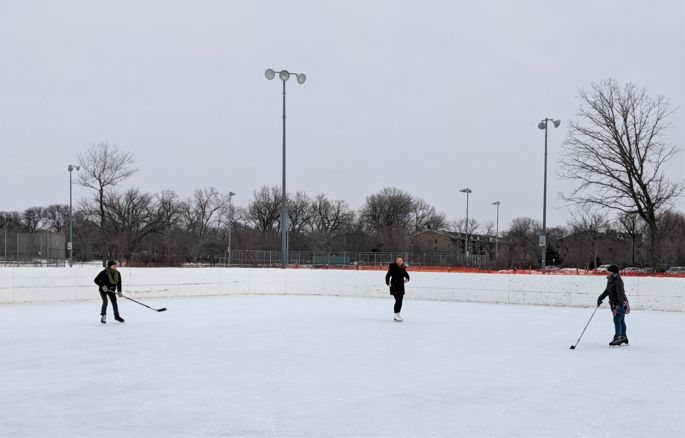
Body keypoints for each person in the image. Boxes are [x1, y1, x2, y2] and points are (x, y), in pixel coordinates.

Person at [597, 264, 630, 346]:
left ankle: (618, 337)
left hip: (619, 302)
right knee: (621, 319)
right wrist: (600, 298)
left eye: (608, 271)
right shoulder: (610, 280)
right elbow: (607, 291)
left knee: (617, 319)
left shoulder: (618, 280)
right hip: (614, 303)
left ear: (613, 272)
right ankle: (623, 336)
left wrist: (618, 304)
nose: (607, 272)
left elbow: (620, 293)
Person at [385, 257, 410, 322]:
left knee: (400, 301)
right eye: (398, 261)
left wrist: (407, 279)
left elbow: (407, 276)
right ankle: (396, 315)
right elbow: (388, 275)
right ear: (396, 261)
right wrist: (388, 282)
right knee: (398, 300)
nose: (399, 262)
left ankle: (398, 314)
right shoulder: (393, 267)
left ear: (402, 261)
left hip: (401, 287)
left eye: (401, 261)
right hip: (394, 286)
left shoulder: (402, 268)